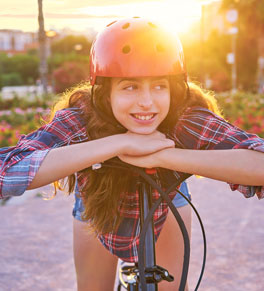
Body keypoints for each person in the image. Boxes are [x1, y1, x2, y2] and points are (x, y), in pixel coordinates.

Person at [0, 16, 264, 291]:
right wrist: (119, 144)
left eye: (159, 86)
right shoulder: (83, 116)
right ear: (105, 93)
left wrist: (162, 157)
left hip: (167, 201)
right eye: (130, 86)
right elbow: (5, 171)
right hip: (98, 205)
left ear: (173, 88)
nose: (147, 102)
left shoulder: (183, 116)